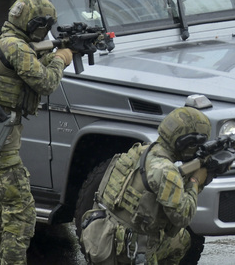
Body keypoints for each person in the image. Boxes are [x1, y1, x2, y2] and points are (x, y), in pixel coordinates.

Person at [0, 0, 73, 265]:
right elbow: (45, 83)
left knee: (5, 206)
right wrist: (62, 59)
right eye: (44, 26)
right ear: (34, 24)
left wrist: (52, 53)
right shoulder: (17, 48)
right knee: (21, 210)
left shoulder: (1, 40)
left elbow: (26, 72)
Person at [78, 106, 212, 265]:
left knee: (180, 238)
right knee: (182, 241)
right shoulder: (166, 172)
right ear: (187, 143)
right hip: (130, 250)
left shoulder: (140, 151)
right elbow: (182, 217)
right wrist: (196, 181)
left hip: (101, 236)